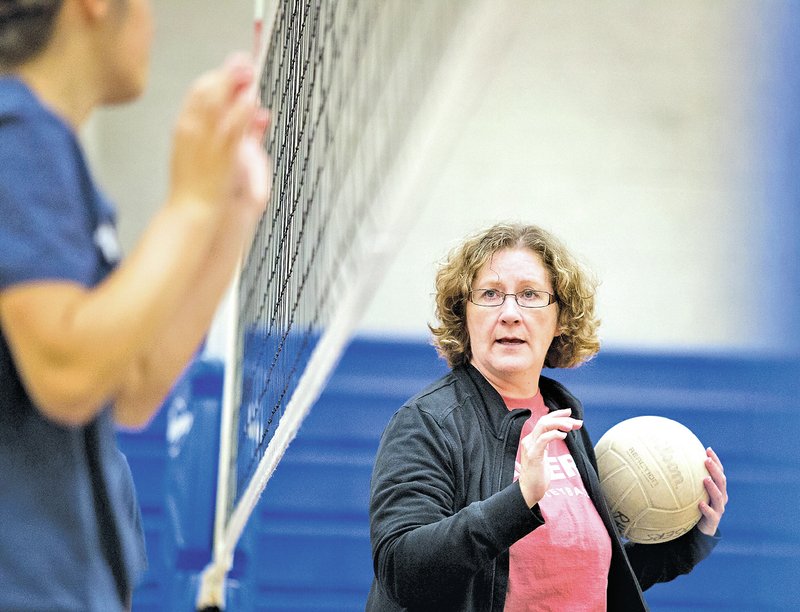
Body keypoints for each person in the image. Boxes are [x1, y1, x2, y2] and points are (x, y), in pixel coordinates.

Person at [0, 1, 271, 610]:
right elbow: (68, 374)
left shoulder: (47, 149)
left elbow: (131, 384)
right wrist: (190, 204)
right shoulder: (17, 132)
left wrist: (229, 214)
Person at [367, 223, 728, 611]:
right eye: (490, 294)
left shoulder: (564, 419)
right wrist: (520, 500)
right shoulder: (428, 422)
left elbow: (589, 580)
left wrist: (694, 537)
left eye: (530, 295)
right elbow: (403, 571)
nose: (509, 313)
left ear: (560, 319)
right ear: (463, 314)